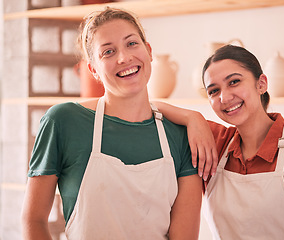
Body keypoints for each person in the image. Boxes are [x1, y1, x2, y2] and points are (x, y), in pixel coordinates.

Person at [21, 7, 216, 240]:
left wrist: (193, 117)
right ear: (93, 69)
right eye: (108, 52)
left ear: (149, 51)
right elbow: (34, 220)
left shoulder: (182, 136)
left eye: (132, 44)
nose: (124, 58)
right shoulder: (63, 122)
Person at [155, 45, 284, 239]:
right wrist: (193, 117)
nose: (224, 97)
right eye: (213, 91)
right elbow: (146, 108)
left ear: (261, 84)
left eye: (234, 82)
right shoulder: (215, 142)